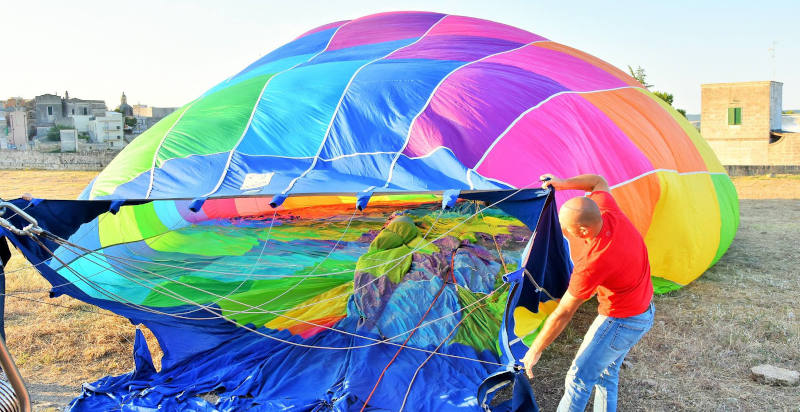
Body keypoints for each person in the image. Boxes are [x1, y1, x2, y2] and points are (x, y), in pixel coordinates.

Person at [522, 174, 654, 412]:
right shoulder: (606, 208)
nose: (566, 234)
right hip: (643, 310)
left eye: (568, 231)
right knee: (605, 373)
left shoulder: (593, 263)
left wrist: (535, 350)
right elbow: (598, 180)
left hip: (622, 321)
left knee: (578, 378)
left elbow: (564, 312)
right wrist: (560, 185)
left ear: (583, 230)